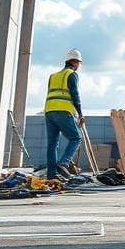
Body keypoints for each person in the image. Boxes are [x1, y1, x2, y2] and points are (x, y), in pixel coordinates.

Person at [44, 49, 85, 180]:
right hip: (64, 111)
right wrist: (80, 114)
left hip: (49, 111)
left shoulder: (53, 76)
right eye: (78, 62)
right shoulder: (71, 74)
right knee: (76, 138)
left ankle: (51, 175)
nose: (78, 65)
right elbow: (75, 95)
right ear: (74, 62)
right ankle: (64, 163)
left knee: (52, 144)